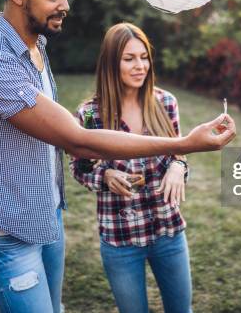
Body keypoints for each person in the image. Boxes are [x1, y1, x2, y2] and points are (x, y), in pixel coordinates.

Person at [0, 0, 235, 313]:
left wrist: (177, 162)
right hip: (7, 232)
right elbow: (79, 141)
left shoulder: (35, 48)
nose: (65, 6)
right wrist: (184, 145)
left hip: (45, 216)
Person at [70, 23, 192, 313]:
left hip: (168, 231)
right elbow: (79, 168)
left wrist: (178, 165)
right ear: (112, 63)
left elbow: (181, 152)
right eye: (129, 59)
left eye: (144, 57)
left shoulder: (165, 103)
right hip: (120, 238)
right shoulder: (90, 114)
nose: (140, 66)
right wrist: (106, 175)